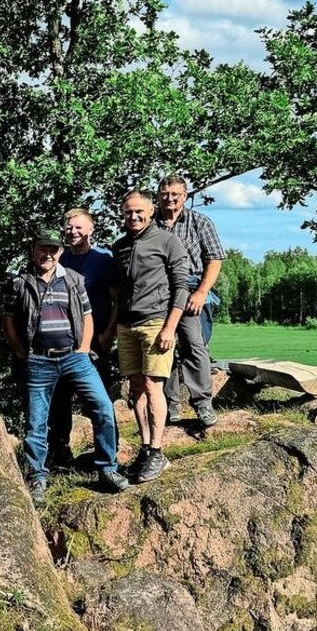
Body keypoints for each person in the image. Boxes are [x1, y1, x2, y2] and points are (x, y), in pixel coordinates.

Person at [4, 230, 129, 503]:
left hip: (75, 358)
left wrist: (84, 349)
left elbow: (87, 315)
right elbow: (10, 321)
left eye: (53, 249)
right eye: (42, 248)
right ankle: (37, 476)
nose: (47, 254)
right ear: (33, 250)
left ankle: (108, 468)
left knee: (103, 408)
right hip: (38, 360)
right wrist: (21, 352)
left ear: (60, 252)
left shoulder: (74, 280)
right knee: (36, 423)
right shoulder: (20, 283)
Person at [108, 190, 189, 482]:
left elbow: (182, 286)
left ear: (151, 211)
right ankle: (145, 448)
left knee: (155, 387)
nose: (134, 216)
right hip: (127, 326)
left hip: (156, 324)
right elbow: (117, 294)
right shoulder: (119, 247)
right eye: (129, 212)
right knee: (136, 388)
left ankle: (157, 450)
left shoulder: (168, 241)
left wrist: (170, 327)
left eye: (139, 211)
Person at [157, 174, 224, 427]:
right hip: (159, 290)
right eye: (165, 194)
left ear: (184, 196)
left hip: (192, 286)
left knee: (194, 344)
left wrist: (202, 292)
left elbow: (215, 259)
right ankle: (170, 405)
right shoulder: (151, 224)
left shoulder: (200, 222)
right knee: (164, 346)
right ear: (158, 196)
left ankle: (202, 403)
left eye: (175, 194)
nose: (170, 199)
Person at [51, 209, 117, 460]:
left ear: (91, 229)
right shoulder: (61, 260)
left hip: (96, 341)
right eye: (69, 228)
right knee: (59, 399)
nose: (73, 232)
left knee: (99, 401)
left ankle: (109, 453)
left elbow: (117, 299)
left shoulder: (103, 259)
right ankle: (60, 452)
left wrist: (108, 333)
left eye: (79, 227)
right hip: (65, 342)